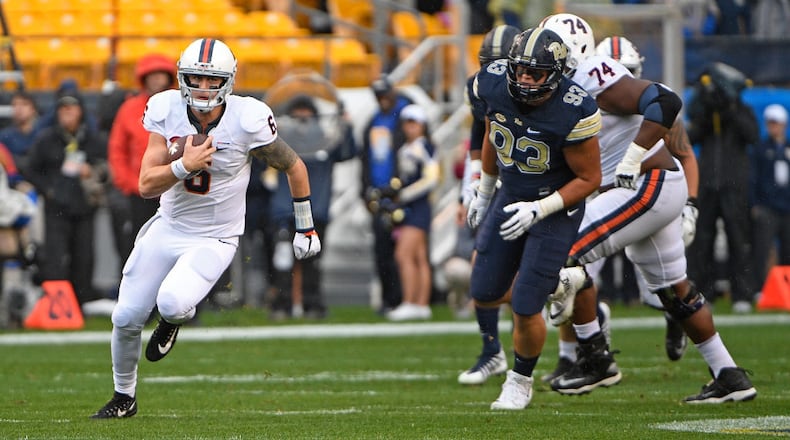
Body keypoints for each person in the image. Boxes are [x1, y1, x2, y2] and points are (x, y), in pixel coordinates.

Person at [90, 38, 321, 419]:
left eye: (211, 79)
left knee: (173, 303)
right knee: (126, 316)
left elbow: (295, 167)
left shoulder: (247, 119)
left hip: (215, 237)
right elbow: (146, 184)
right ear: (182, 77)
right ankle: (123, 397)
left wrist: (305, 227)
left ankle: (170, 323)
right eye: (195, 77)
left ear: (228, 82)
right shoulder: (165, 108)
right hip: (169, 225)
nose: (201, 87)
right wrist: (184, 164)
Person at [540, 13, 756, 404]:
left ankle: (594, 356)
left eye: (551, 50)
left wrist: (635, 161)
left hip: (646, 183)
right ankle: (729, 374)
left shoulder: (595, 77)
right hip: (644, 187)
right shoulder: (561, 84)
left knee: (564, 252)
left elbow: (666, 106)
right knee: (674, 292)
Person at [465, 27, 603, 410]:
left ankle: (519, 381)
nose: (525, 78)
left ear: (556, 74)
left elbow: (591, 179)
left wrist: (539, 210)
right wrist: (485, 189)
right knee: (484, 291)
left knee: (526, 304)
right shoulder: (492, 84)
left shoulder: (574, 108)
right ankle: (560, 282)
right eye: (520, 69)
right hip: (511, 194)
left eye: (535, 73)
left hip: (556, 206)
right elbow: (494, 131)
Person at [456, 23, 521, 384]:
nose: (493, 74)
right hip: (499, 180)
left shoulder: (543, 91)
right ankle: (492, 349)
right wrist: (473, 186)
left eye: (501, 65)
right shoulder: (477, 86)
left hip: (539, 182)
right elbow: (480, 136)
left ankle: (581, 346)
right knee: (483, 265)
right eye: (488, 64)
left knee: (550, 278)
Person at [23, 90, 114, 317]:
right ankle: (56, 307)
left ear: (81, 111)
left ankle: (81, 305)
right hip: (57, 208)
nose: (67, 113)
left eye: (72, 108)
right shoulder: (46, 139)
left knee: (84, 256)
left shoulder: (93, 139)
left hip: (85, 206)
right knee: (56, 256)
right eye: (63, 109)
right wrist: (49, 190)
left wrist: (92, 172)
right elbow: (30, 168)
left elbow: (108, 171)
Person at [267, 94, 357, 320]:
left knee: (312, 262)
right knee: (282, 261)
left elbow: (348, 151)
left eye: (307, 116)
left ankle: (312, 304)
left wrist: (346, 127)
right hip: (284, 210)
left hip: (316, 210)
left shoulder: (325, 142)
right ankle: (282, 304)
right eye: (297, 117)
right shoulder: (281, 144)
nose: (302, 122)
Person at [686, 62, 759, 313]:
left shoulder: (743, 110)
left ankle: (742, 294)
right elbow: (691, 136)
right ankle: (704, 292)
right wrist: (709, 112)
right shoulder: (705, 112)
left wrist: (730, 109)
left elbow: (752, 135)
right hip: (706, 183)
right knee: (702, 239)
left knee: (738, 239)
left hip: (734, 184)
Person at [107, 53, 177, 262]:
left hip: (176, 188)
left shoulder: (182, 106)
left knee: (174, 245)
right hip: (140, 192)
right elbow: (117, 150)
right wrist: (131, 183)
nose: (156, 79)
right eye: (151, 75)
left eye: (160, 75)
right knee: (139, 245)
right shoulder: (129, 109)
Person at [360, 75, 412, 315]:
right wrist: (366, 192)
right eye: (378, 96)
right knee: (382, 251)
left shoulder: (406, 116)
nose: (382, 100)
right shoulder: (374, 121)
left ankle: (407, 298)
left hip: (402, 195)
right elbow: (366, 159)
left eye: (385, 94)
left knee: (404, 251)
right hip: (378, 196)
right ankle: (389, 299)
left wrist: (400, 186)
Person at [384, 104, 439, 321]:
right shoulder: (407, 147)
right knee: (418, 256)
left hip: (418, 206)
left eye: (414, 123)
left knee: (404, 254)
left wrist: (404, 195)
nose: (410, 127)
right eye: (407, 123)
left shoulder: (423, 147)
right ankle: (420, 303)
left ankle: (411, 301)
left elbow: (431, 178)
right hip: (412, 206)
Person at [749, 104, 790, 294]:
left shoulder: (787, 148)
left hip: (787, 206)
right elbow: (753, 177)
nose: (773, 127)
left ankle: (786, 289)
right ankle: (760, 289)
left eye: (777, 123)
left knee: (787, 250)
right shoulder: (761, 148)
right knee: (762, 249)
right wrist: (755, 204)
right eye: (770, 123)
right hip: (767, 206)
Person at [0, 90, 40, 167]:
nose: (19, 108)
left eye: (24, 104)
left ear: (33, 109)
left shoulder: (43, 134)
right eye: (15, 105)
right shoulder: (4, 136)